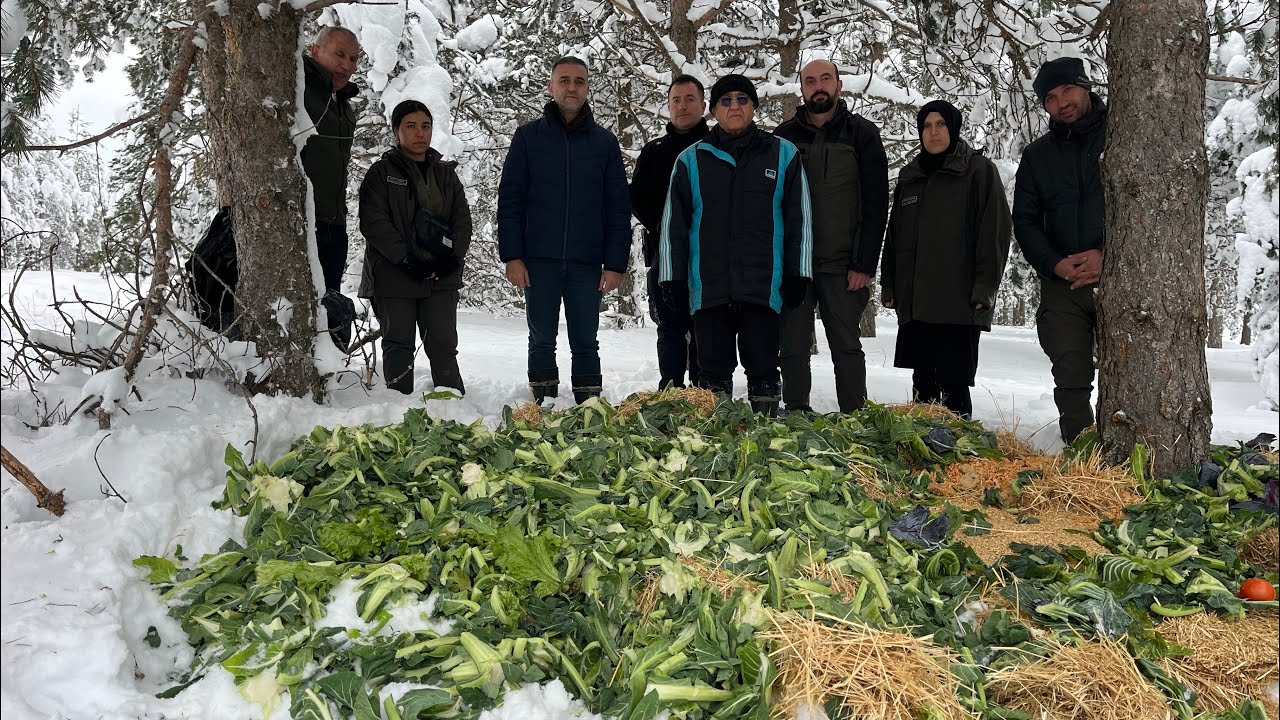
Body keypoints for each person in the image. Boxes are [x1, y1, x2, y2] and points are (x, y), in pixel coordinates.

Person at [659, 74, 814, 417]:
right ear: (713, 109)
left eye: (742, 100)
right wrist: (672, 277)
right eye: (725, 100)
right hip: (709, 284)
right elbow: (673, 224)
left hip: (762, 284)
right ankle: (715, 436)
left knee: (762, 366)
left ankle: (765, 430)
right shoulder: (691, 159)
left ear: (754, 107)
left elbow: (799, 218)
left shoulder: (783, 155)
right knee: (712, 370)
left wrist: (798, 273)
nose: (734, 106)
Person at [497, 56, 630, 405]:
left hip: (587, 263)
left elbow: (618, 208)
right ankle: (542, 404)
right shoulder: (528, 138)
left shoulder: (604, 143)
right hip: (537, 260)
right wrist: (512, 256)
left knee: (586, 339)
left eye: (580, 81)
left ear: (588, 88)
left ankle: (588, 405)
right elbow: (510, 200)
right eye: (565, 80)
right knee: (541, 338)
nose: (572, 87)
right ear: (551, 86)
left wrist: (615, 264)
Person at [880, 100, 1012, 419]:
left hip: (958, 303)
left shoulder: (978, 172)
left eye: (940, 124)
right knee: (922, 383)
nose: (933, 132)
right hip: (917, 302)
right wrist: (890, 284)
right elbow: (895, 235)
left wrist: (984, 288)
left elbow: (994, 232)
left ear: (953, 128)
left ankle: (957, 453)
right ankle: (923, 453)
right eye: (926, 126)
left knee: (954, 384)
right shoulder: (911, 177)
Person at [774, 59, 889, 413]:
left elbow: (875, 202)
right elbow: (774, 203)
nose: (818, 86)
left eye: (825, 79)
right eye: (810, 81)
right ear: (802, 88)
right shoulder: (783, 137)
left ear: (839, 85)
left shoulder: (862, 134)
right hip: (797, 263)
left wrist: (864, 263)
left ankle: (854, 415)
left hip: (843, 264)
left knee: (846, 344)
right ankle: (795, 411)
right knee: (792, 344)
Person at [1013, 57, 1107, 442]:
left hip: (1123, 276)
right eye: (1050, 97)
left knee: (1137, 370)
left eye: (1067, 89)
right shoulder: (1037, 156)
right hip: (1062, 285)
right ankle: (1082, 454)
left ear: (1084, 86)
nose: (1061, 102)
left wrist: (1107, 255)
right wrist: (1055, 265)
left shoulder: (1125, 135)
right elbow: (1025, 222)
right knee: (1069, 372)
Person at [357, 100, 472, 395]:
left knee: (443, 345)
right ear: (397, 131)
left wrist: (450, 261)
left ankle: (453, 411)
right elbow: (375, 223)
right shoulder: (381, 174)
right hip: (396, 276)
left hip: (441, 278)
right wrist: (408, 260)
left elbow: (462, 222)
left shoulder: (446, 175)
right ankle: (397, 413)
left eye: (425, 126)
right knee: (398, 346)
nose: (420, 133)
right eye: (411, 126)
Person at [629, 74, 710, 390]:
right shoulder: (654, 151)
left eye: (690, 99)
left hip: (709, 255)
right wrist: (666, 227)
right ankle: (672, 388)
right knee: (669, 326)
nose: (683, 105)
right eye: (676, 99)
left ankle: (704, 388)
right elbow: (638, 199)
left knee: (706, 324)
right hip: (664, 255)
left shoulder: (716, 148)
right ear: (668, 106)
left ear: (703, 104)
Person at [303, 26, 362, 294]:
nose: (346, 65)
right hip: (300, 222)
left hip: (334, 226)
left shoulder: (344, 106)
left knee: (329, 311)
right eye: (339, 55)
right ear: (315, 51)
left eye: (353, 59)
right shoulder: (297, 89)